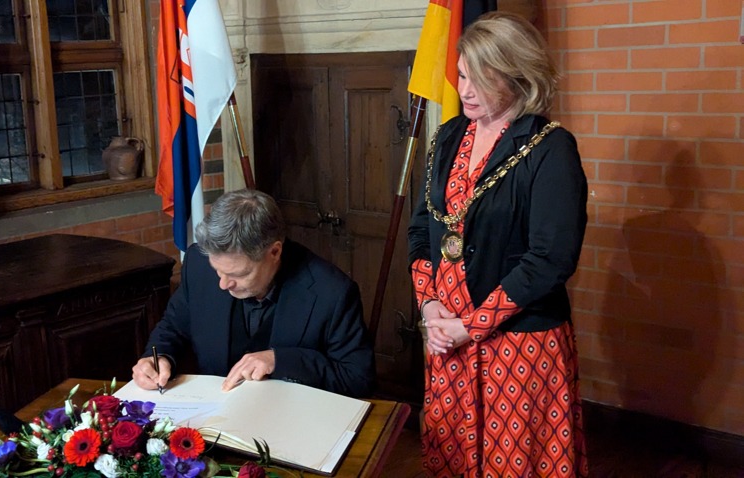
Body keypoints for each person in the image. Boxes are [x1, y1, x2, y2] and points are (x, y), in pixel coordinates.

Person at [407, 12, 589, 477]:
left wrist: (475, 324)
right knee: (453, 457)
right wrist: (430, 309)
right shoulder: (448, 136)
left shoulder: (551, 147)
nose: (465, 91)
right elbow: (422, 229)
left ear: (516, 75)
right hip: (447, 336)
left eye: (481, 79)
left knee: (515, 463)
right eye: (463, 75)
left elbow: (551, 258)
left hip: (518, 344)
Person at [132, 189, 376, 398]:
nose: (223, 284)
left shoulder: (331, 292)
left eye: (239, 274)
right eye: (219, 271)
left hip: (292, 422)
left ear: (274, 252)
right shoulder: (199, 264)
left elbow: (357, 379)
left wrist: (279, 360)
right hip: (216, 418)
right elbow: (173, 327)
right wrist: (159, 358)